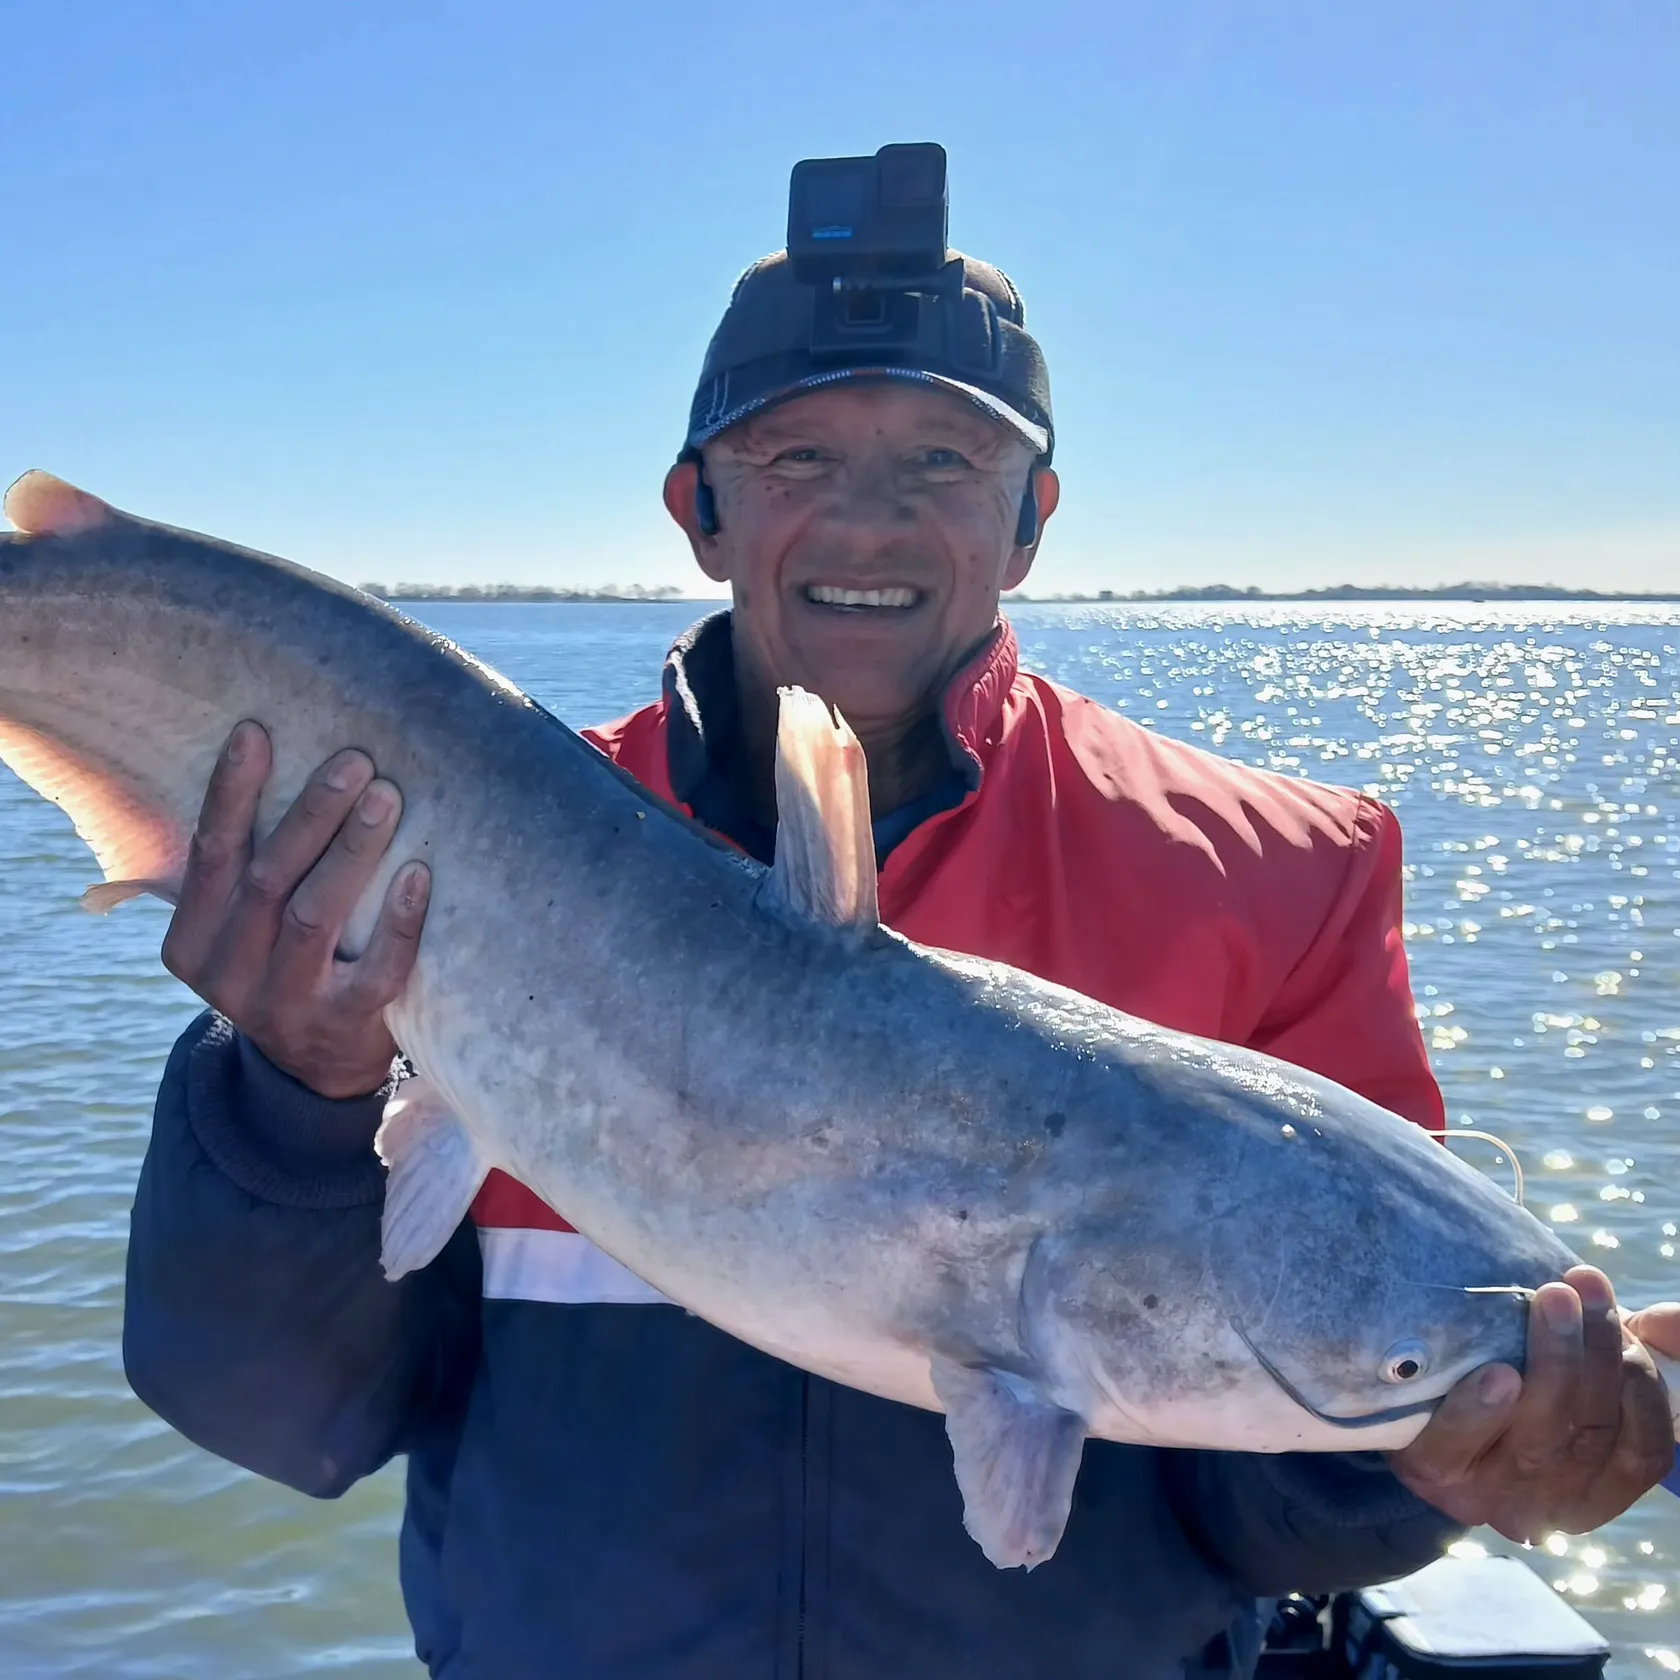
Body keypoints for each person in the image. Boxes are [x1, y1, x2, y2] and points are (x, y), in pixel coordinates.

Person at [120, 226, 1680, 1679]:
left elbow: (1264, 1507)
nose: (869, 521)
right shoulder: (423, 851)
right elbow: (289, 1423)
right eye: (795, 457)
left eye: (944, 461)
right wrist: (289, 1102)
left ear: (1033, 519)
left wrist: (1434, 1461)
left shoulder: (1287, 877)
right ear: (701, 511)